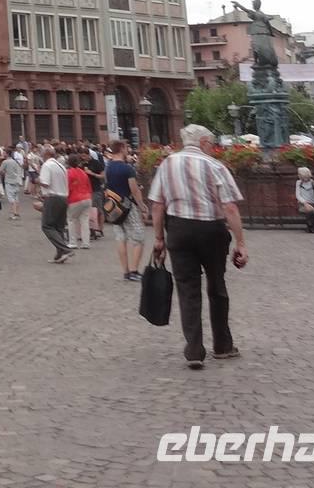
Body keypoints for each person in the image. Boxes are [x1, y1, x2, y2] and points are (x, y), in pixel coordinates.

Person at [148, 124, 247, 370]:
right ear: (203, 142)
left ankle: (194, 349)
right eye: (211, 143)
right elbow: (230, 207)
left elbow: (157, 205)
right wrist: (241, 242)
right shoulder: (215, 166)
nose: (212, 148)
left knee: (187, 289)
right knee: (217, 285)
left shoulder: (167, 164)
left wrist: (159, 237)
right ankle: (222, 344)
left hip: (179, 230)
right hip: (211, 230)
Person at [103, 140, 150, 282]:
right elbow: (134, 190)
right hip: (128, 206)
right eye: (126, 147)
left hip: (113, 206)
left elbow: (107, 185)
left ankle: (125, 271)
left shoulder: (108, 167)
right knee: (138, 238)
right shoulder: (127, 168)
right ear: (122, 148)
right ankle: (134, 270)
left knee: (120, 238)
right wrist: (142, 206)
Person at [36, 144, 73, 263]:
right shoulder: (61, 166)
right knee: (59, 227)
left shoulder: (47, 165)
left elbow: (46, 183)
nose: (40, 155)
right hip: (63, 197)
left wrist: (37, 181)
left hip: (52, 197)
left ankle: (65, 249)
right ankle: (60, 254)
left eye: (42, 153)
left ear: (46, 154)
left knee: (47, 225)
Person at [66, 154, 93, 249]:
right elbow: (89, 186)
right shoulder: (83, 172)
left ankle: (73, 242)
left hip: (75, 199)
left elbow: (67, 187)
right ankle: (86, 242)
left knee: (71, 220)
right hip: (87, 197)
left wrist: (66, 198)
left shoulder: (68, 173)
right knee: (84, 221)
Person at [2, 147, 25, 221]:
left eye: (4, 152)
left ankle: (14, 213)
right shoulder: (15, 161)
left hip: (9, 181)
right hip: (16, 181)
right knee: (16, 197)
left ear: (7, 153)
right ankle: (17, 212)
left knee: (11, 198)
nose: (3, 153)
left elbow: (0, 170)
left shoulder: (5, 162)